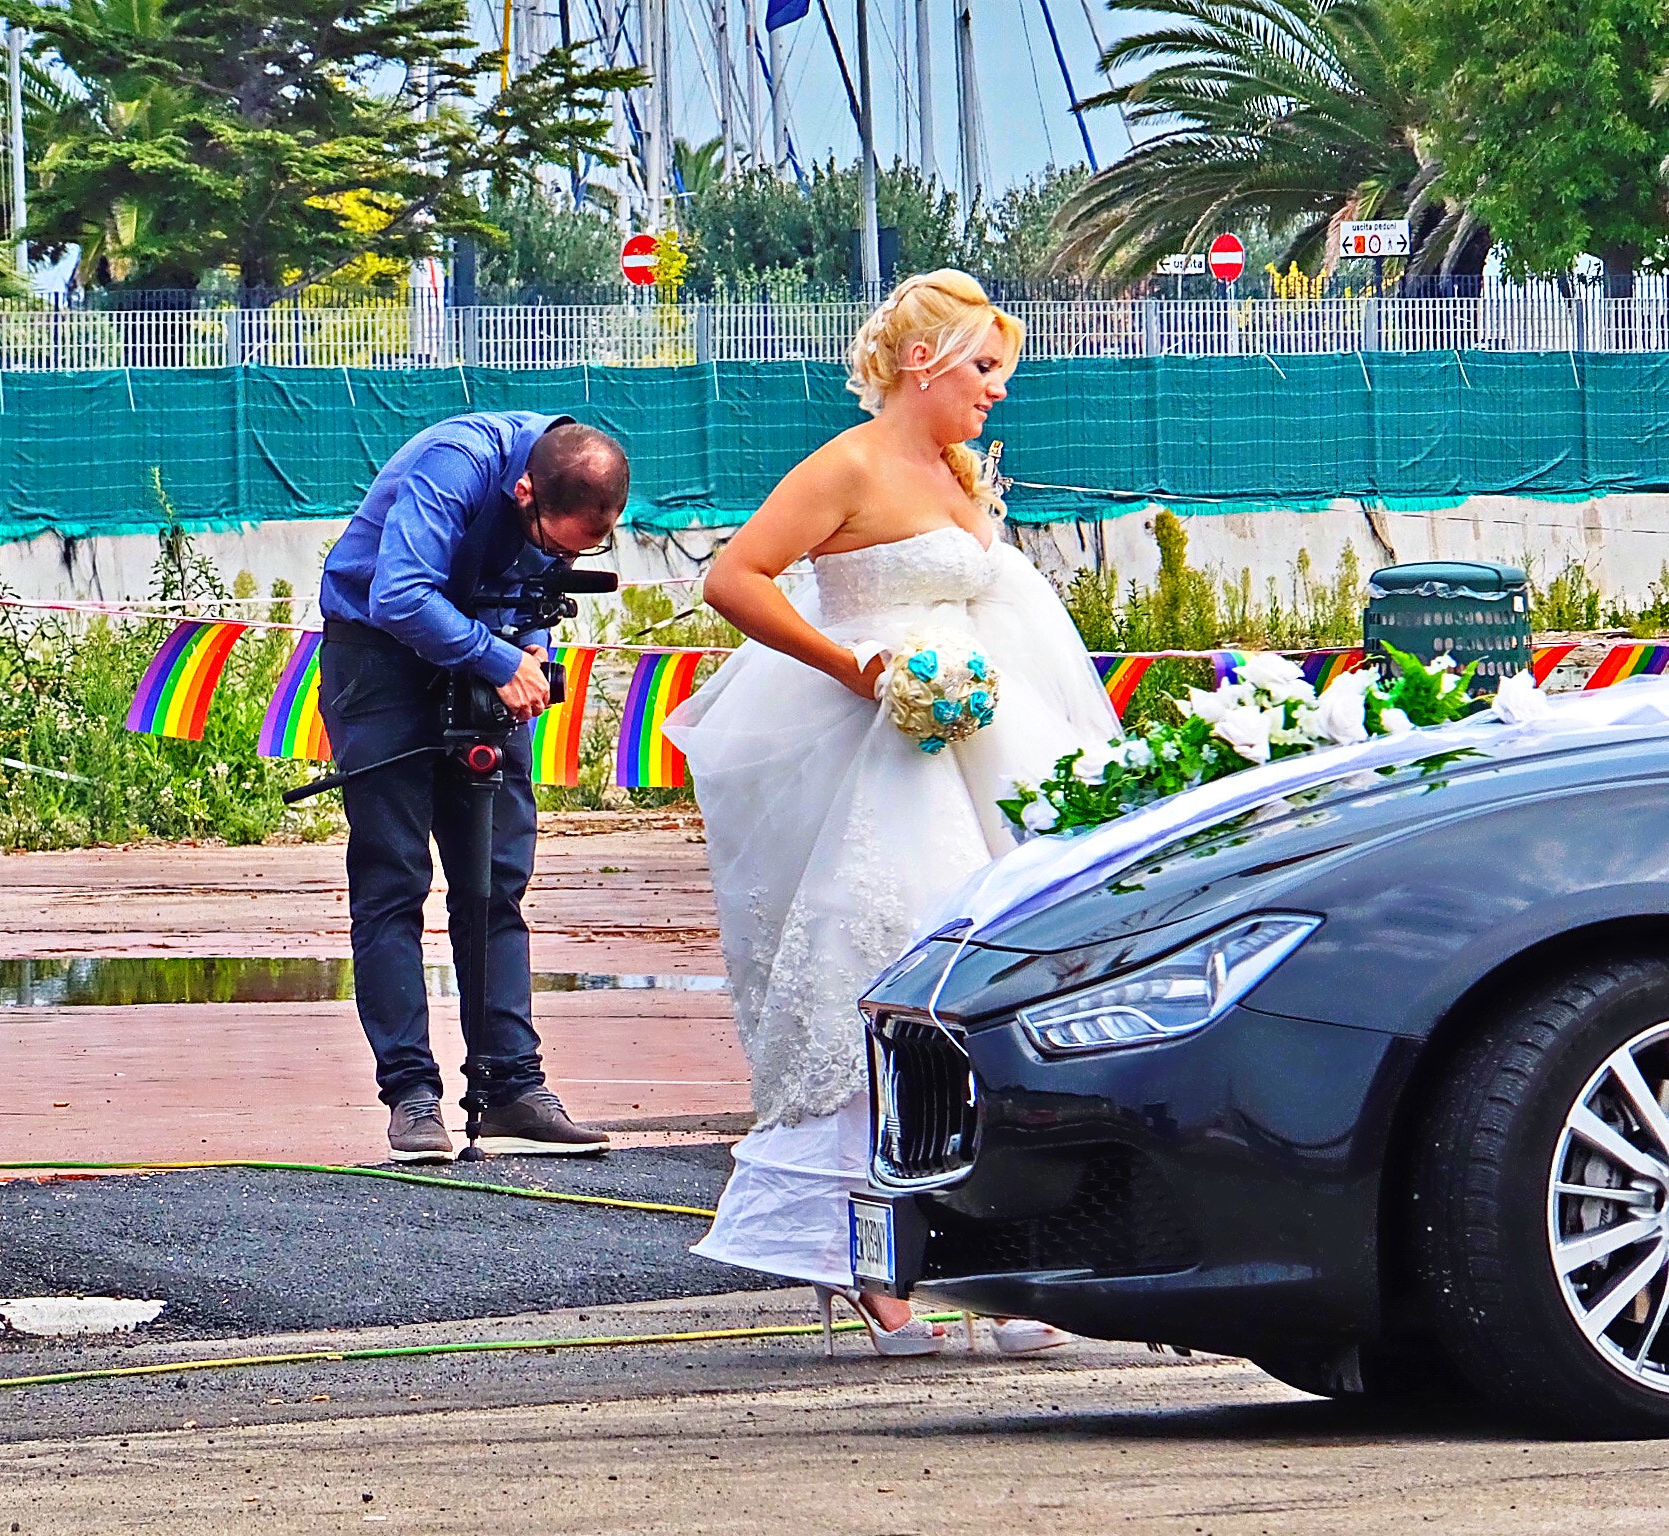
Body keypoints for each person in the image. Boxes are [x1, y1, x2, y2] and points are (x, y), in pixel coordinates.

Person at [665, 271, 1120, 1355]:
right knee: (884, 973)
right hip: (894, 761)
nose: (995, 393)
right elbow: (736, 578)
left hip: (987, 754)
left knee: (995, 989)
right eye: (982, 369)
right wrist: (854, 668)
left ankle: (995, 1259)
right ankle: (860, 1254)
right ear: (922, 363)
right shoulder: (849, 463)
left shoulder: (958, 468)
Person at [318, 412, 626, 1163]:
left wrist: (528, 648)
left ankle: (512, 1088)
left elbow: (532, 598)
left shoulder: (559, 491)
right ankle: (413, 1097)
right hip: (380, 659)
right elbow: (400, 595)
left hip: (481, 657)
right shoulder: (453, 464)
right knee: (394, 882)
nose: (558, 558)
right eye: (554, 543)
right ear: (524, 492)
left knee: (495, 884)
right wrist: (499, 658)